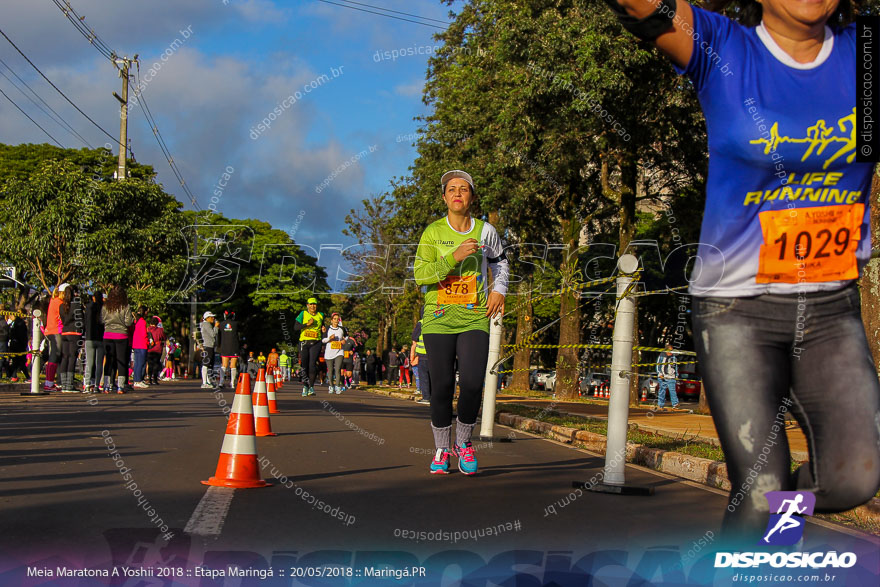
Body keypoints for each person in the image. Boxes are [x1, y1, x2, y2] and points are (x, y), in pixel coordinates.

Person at [609, 0, 880, 542]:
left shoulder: (866, 52)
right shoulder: (725, 48)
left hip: (830, 306)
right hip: (736, 310)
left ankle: (772, 534)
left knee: (855, 479)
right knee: (761, 490)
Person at [413, 169, 509, 475]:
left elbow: (501, 262)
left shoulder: (485, 231)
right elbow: (421, 275)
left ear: (471, 197)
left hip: (473, 317)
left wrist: (499, 290)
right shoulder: (432, 233)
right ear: (444, 197)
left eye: (464, 189)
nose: (457, 193)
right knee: (440, 387)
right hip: (438, 319)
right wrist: (452, 257)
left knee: (471, 384)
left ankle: (464, 443)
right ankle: (442, 449)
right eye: (451, 189)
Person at [100, 286, 133, 394]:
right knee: (122, 361)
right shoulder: (126, 306)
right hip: (121, 335)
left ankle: (106, 385)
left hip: (108, 334)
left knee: (109, 360)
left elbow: (101, 319)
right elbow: (128, 322)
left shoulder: (106, 306)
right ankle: (121, 386)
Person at [294, 297, 324, 396]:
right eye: (310, 304)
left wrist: (324, 330)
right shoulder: (303, 314)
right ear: (307, 305)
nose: (312, 306)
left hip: (316, 342)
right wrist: (307, 324)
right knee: (304, 365)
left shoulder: (321, 315)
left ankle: (311, 386)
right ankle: (305, 386)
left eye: (314, 304)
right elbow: (296, 327)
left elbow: (322, 327)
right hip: (304, 342)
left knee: (312, 365)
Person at [58, 285, 83, 393]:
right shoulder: (76, 305)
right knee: (72, 358)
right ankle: (70, 384)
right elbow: (80, 319)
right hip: (75, 332)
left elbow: (63, 319)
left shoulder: (61, 306)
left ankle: (63, 384)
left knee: (65, 357)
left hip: (65, 332)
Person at [43, 285, 64, 391]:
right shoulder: (59, 302)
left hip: (50, 330)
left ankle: (50, 382)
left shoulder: (53, 300)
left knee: (54, 355)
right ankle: (49, 383)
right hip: (56, 331)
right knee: (55, 355)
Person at [83, 291, 104, 392]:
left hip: (89, 337)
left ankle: (87, 384)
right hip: (100, 337)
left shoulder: (89, 307)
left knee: (89, 363)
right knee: (98, 363)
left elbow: (85, 321)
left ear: (93, 297)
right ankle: (96, 385)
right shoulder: (103, 308)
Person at [322, 313, 346, 394]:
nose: (336, 320)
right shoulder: (328, 328)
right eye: (334, 319)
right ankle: (331, 386)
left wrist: (344, 341)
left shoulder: (342, 329)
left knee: (338, 369)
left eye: (337, 319)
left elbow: (346, 337)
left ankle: (338, 387)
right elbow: (323, 340)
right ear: (331, 320)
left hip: (339, 352)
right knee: (330, 370)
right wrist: (329, 338)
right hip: (329, 353)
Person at [217, 310, 241, 387]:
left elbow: (219, 336)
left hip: (224, 346)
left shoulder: (221, 324)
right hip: (234, 346)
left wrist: (218, 346)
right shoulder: (236, 324)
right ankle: (232, 383)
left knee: (224, 364)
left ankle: (221, 382)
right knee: (233, 365)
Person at [411, 315, 430, 405]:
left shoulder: (421, 323)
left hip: (423, 355)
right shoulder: (437, 320)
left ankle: (426, 397)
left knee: (424, 377)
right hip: (435, 354)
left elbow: (414, 337)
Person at [198, 311, 218, 389]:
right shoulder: (206, 324)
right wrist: (216, 327)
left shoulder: (205, 324)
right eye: (212, 317)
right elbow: (212, 334)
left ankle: (207, 381)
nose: (213, 318)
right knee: (206, 364)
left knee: (209, 364)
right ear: (207, 318)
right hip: (208, 346)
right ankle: (204, 382)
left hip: (209, 346)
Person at [655, 343, 679, 410]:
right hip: (663, 377)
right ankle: (660, 405)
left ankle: (675, 404)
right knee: (662, 390)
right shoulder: (661, 356)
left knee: (672, 390)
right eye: (669, 351)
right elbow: (658, 366)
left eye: (671, 351)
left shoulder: (674, 358)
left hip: (671, 377)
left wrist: (676, 375)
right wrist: (660, 374)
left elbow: (675, 367)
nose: (670, 352)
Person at [131, 306, 149, 389]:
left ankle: (136, 380)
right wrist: (148, 342)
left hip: (136, 344)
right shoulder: (142, 321)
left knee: (137, 363)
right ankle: (138, 380)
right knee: (141, 363)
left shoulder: (136, 321)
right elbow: (144, 334)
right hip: (142, 344)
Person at [146, 316, 165, 385]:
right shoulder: (160, 330)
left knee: (150, 364)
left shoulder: (147, 329)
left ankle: (149, 378)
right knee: (156, 363)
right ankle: (155, 379)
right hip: (158, 348)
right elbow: (163, 337)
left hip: (149, 348)